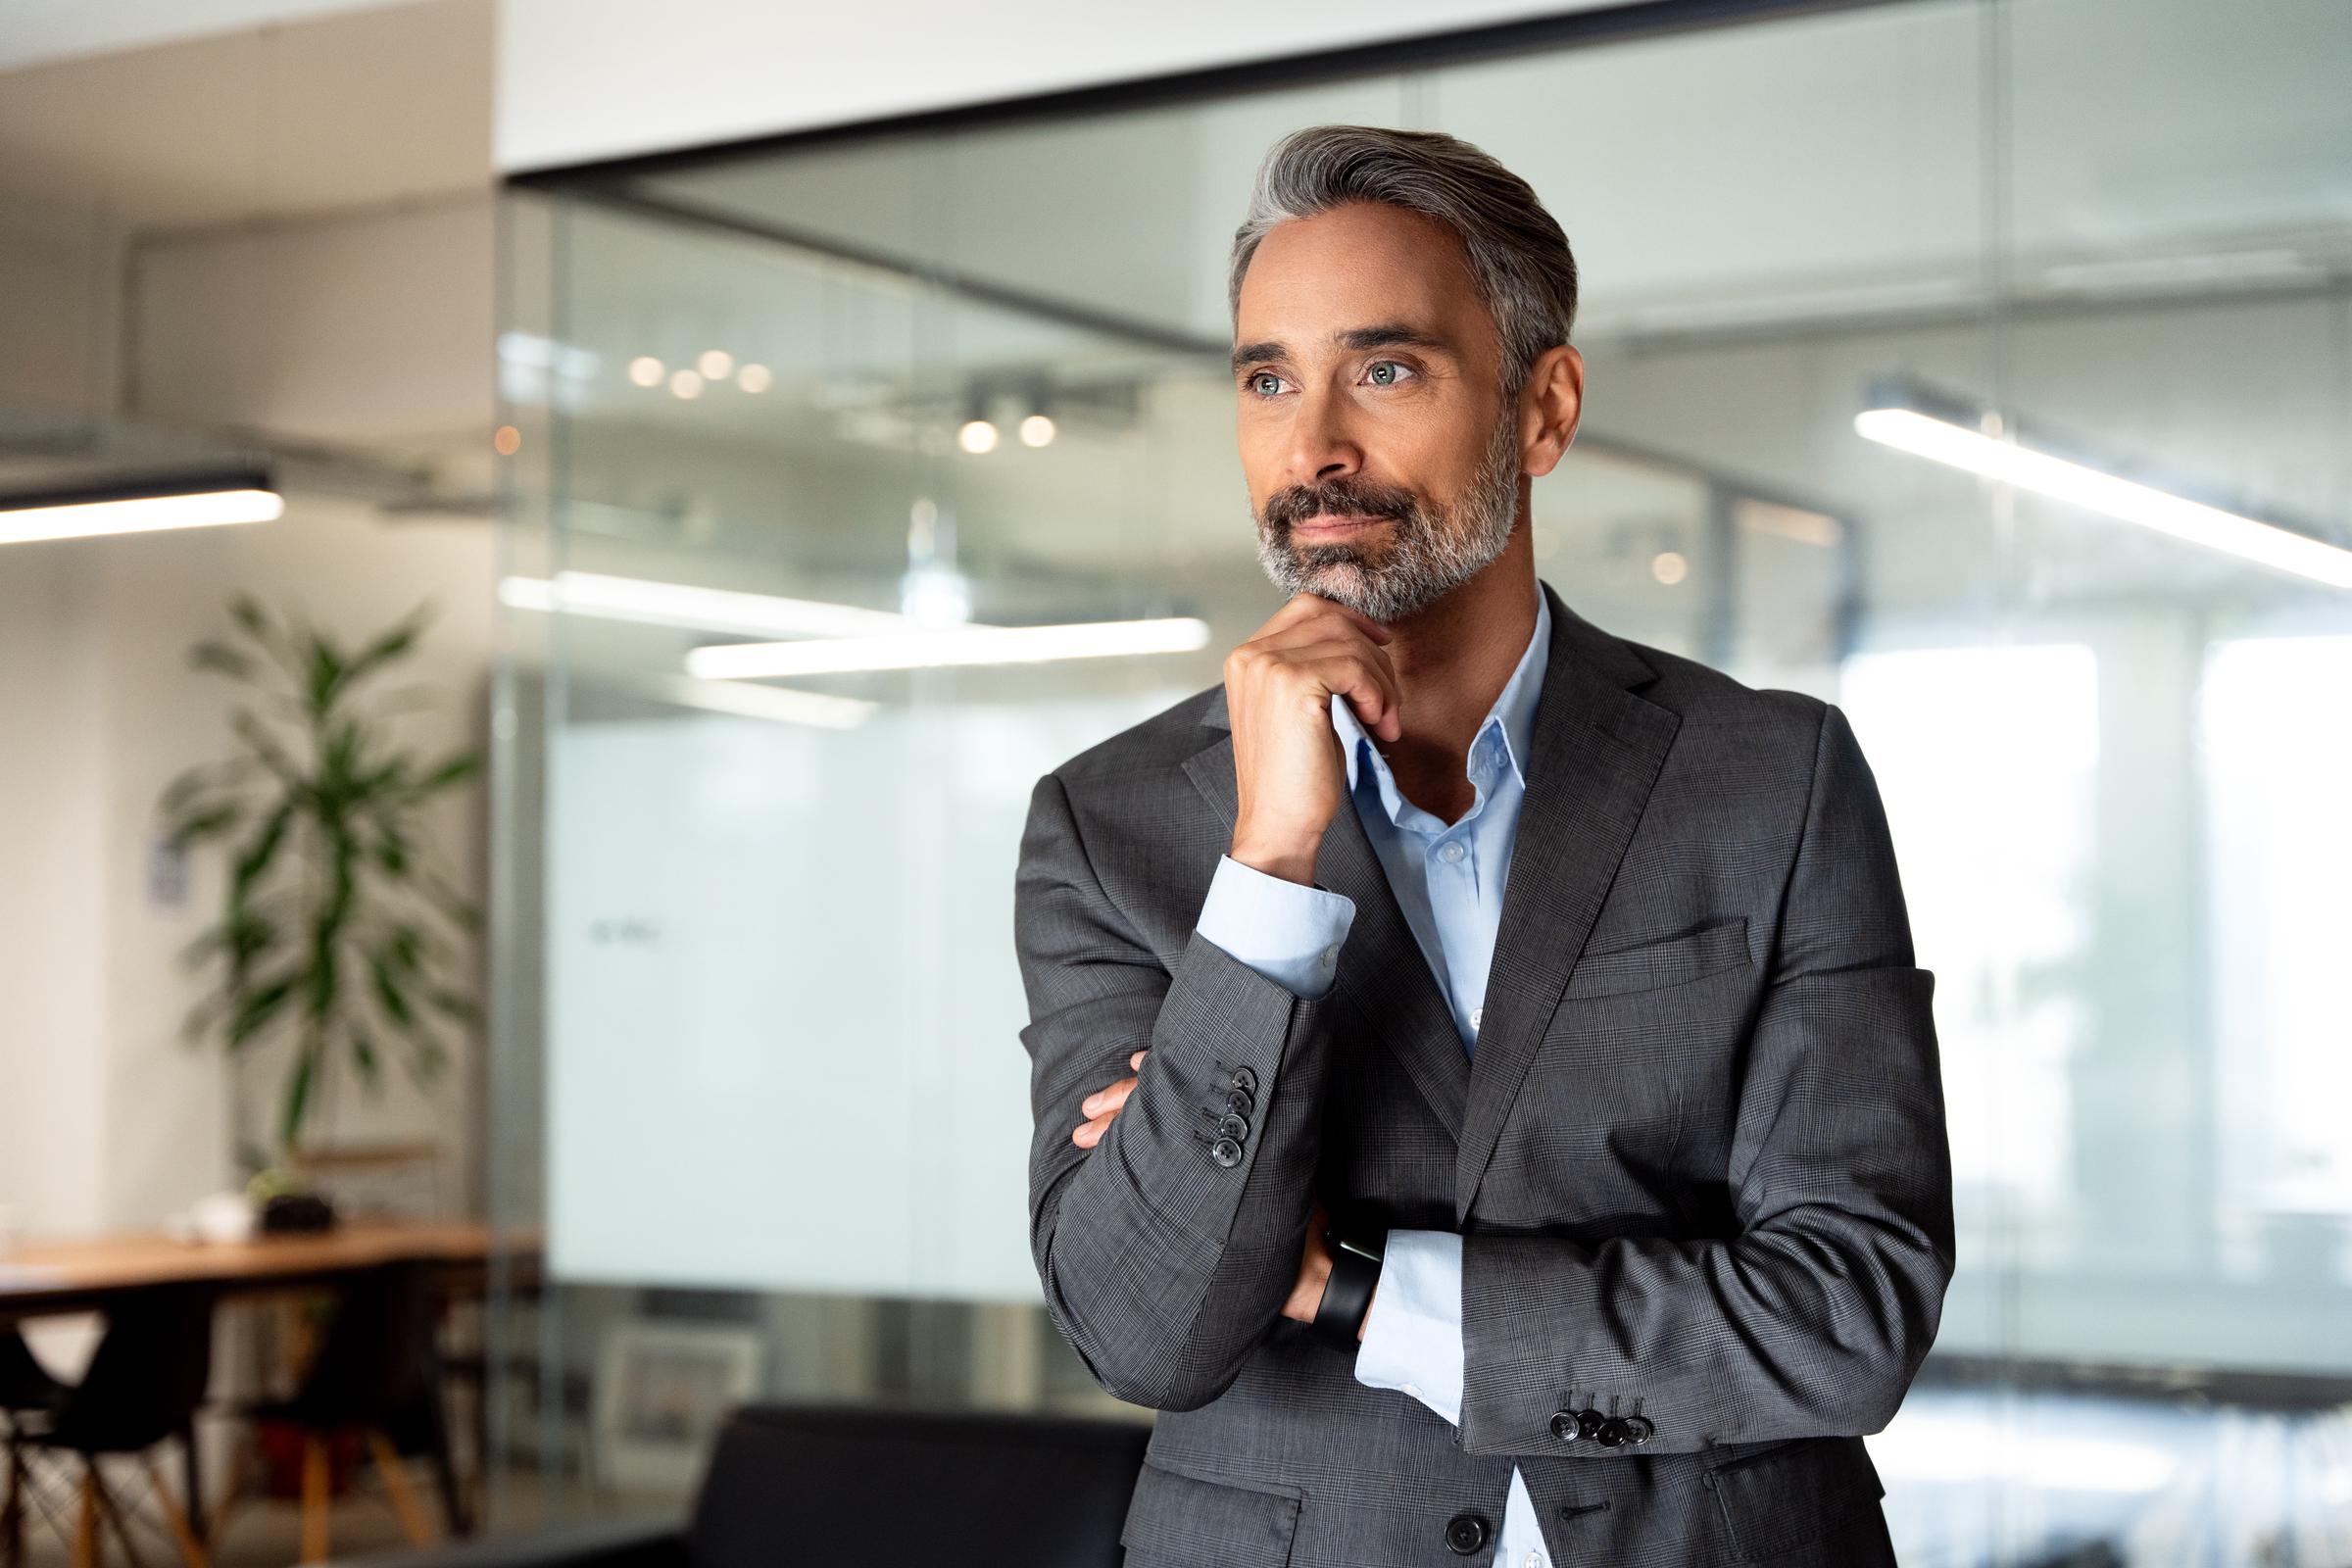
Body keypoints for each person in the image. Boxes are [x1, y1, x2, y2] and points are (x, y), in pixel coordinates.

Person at [1011, 122, 1953, 1568]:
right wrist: (1266, 868)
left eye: (1384, 369)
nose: (1315, 444)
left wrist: (1357, 1289)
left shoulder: (1772, 777)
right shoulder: (1113, 825)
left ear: (1543, 410)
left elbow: (1848, 1312)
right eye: (1269, 378)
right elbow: (1148, 1325)